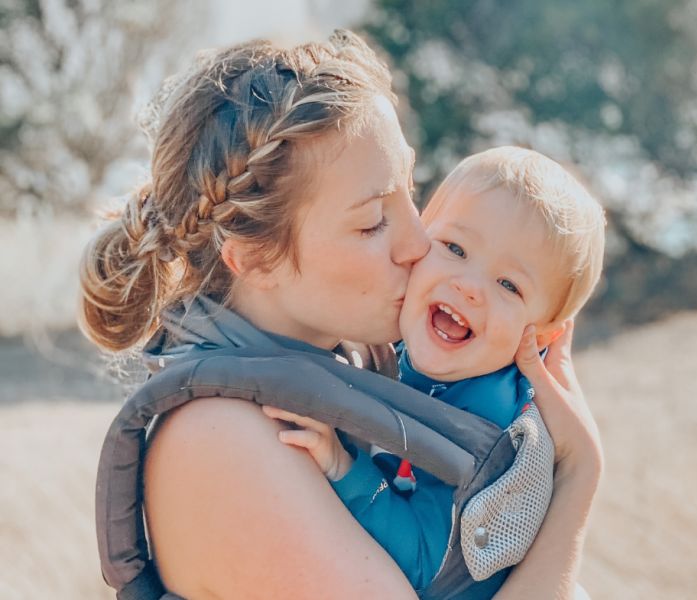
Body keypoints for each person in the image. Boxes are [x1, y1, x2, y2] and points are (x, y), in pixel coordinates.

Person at [79, 31, 603, 599]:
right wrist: (577, 477)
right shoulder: (222, 438)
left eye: (410, 189)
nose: (419, 241)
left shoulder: (353, 374)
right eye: (373, 221)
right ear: (256, 258)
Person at [265, 146, 605, 592]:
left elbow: (428, 562)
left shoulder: (491, 430)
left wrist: (343, 468)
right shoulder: (399, 348)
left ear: (540, 337)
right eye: (455, 247)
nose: (468, 286)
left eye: (509, 285)